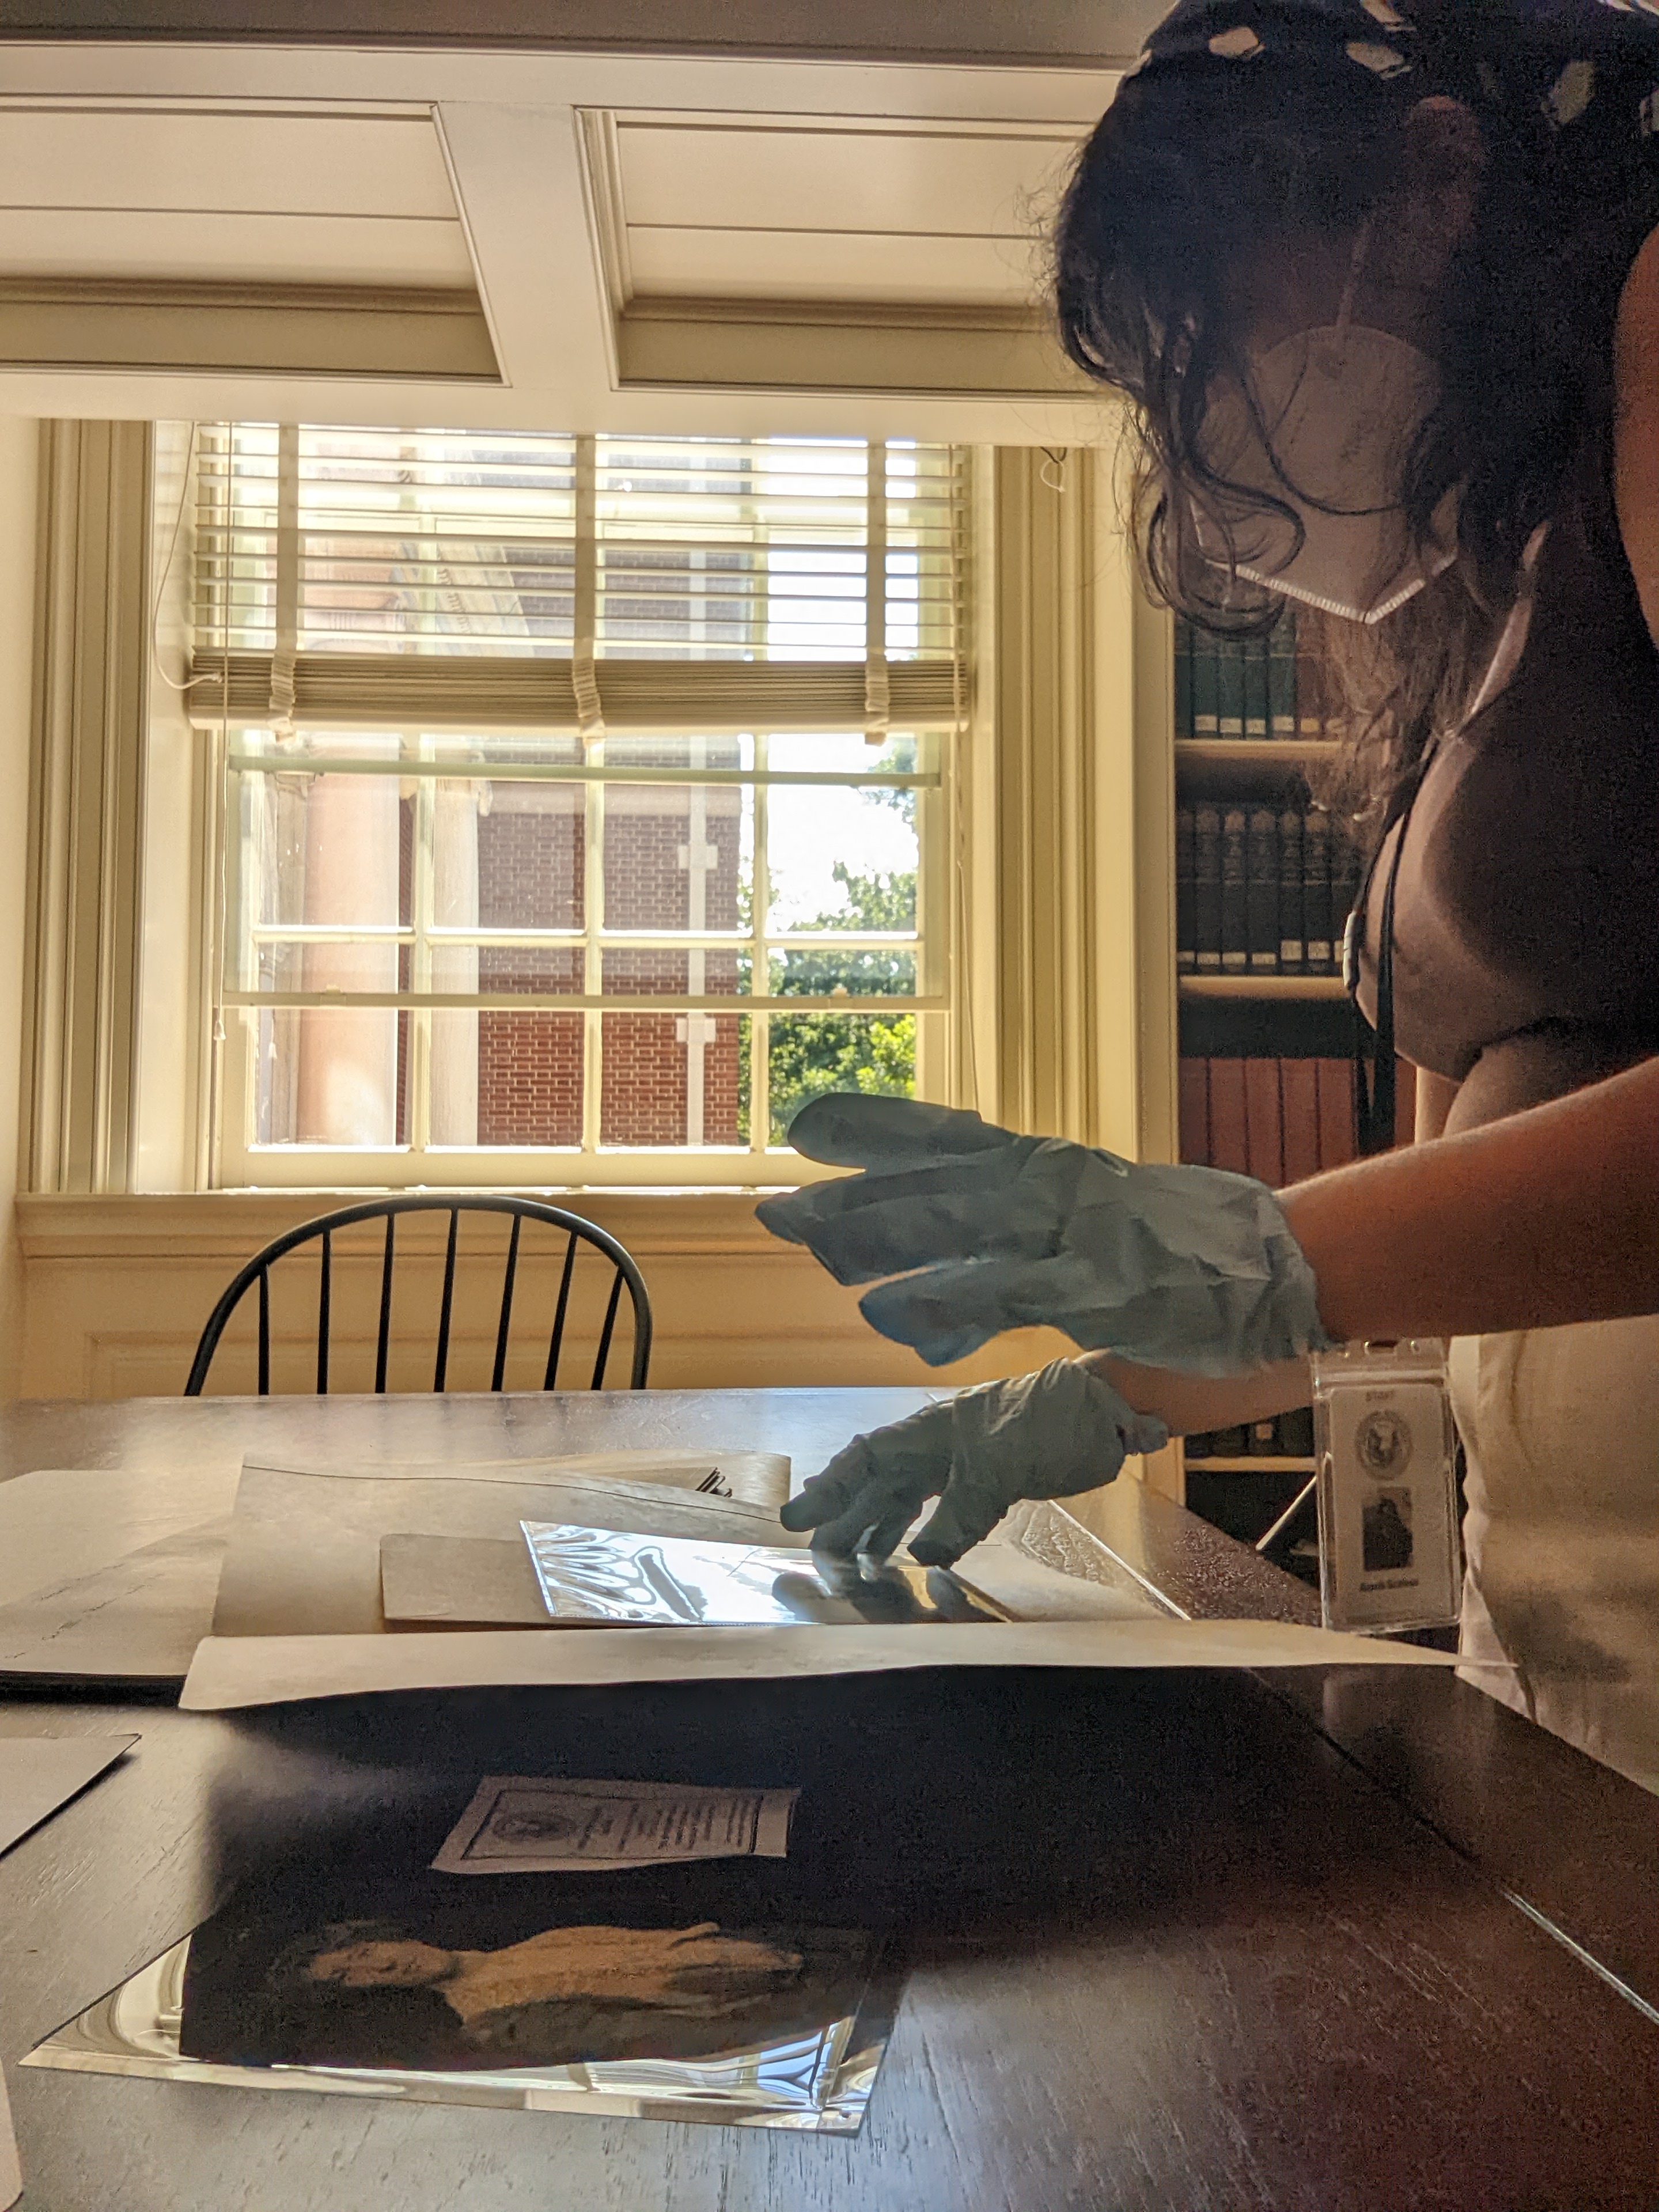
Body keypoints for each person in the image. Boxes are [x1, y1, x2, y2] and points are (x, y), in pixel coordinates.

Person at [759, 0, 1659, 1794]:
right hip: (1562, 1636)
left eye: (1206, 326)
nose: (1200, 427)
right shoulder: (1489, 570)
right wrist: (1116, 1389)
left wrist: (1268, 1255)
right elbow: (1434, 1239)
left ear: (1432, 184)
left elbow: (1328, 1263)